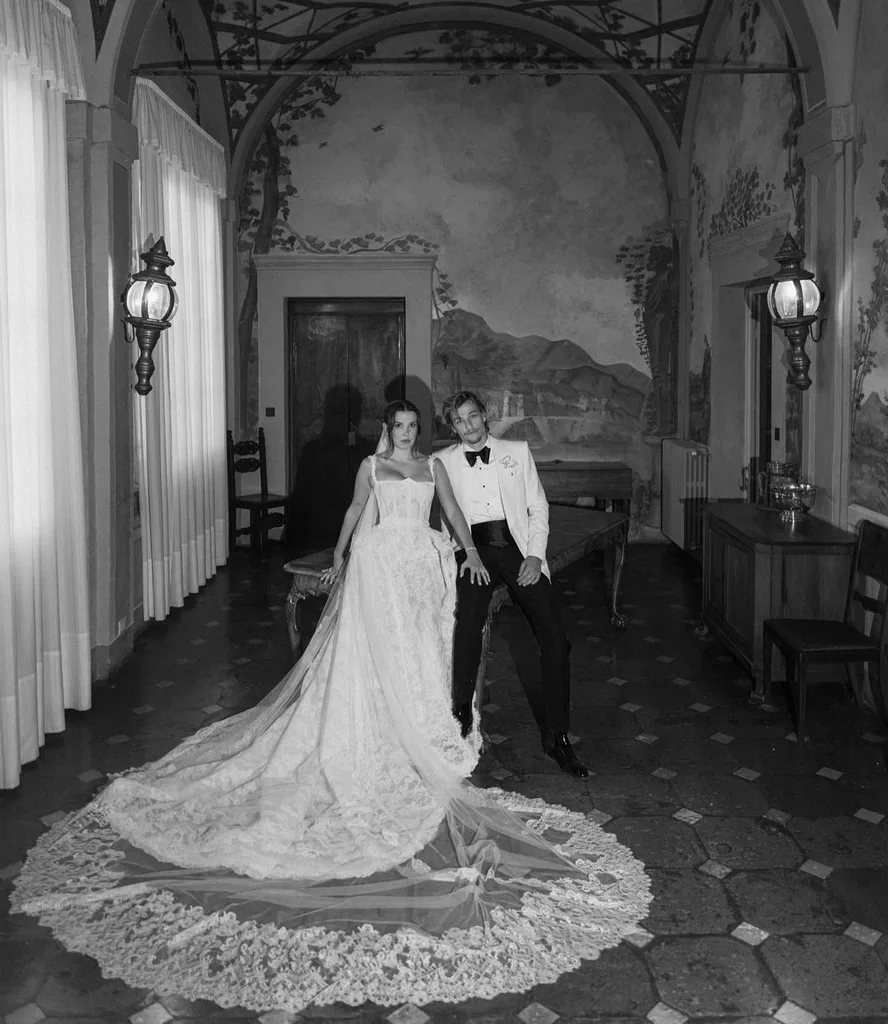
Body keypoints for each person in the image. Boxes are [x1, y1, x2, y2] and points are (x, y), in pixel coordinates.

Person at [12, 400, 650, 1015]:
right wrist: (342, 558)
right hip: (380, 562)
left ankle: (443, 724)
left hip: (424, 565)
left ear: (423, 430)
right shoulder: (373, 466)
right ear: (386, 429)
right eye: (397, 425)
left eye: (412, 425)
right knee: (377, 655)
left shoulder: (437, 466)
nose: (405, 433)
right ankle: (379, 729)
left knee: (426, 652)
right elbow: (352, 514)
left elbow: (454, 517)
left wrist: (477, 552)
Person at [435, 390, 588, 778]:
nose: (467, 427)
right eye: (458, 421)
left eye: (472, 417)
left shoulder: (517, 452)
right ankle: (460, 718)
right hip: (472, 551)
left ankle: (558, 737)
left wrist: (535, 556)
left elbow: (538, 507)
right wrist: (460, 553)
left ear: (484, 416)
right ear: (451, 427)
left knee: (555, 636)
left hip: (518, 548)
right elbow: (443, 518)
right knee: (468, 621)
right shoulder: (443, 461)